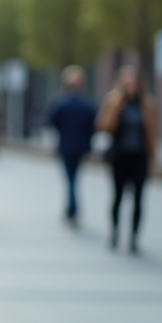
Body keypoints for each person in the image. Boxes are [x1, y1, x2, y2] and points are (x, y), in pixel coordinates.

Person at [97, 66, 156, 254]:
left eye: (134, 83)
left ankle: (134, 238)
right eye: (127, 83)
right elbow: (104, 127)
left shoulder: (147, 104)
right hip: (119, 156)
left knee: (139, 199)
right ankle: (114, 232)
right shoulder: (113, 101)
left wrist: (154, 158)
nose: (131, 86)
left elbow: (152, 134)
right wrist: (115, 110)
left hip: (140, 156)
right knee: (118, 196)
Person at [46, 65, 98, 226]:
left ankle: (72, 210)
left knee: (70, 179)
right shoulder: (88, 104)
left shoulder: (61, 103)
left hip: (66, 147)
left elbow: (50, 122)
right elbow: (93, 127)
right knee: (75, 179)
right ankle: (72, 209)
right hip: (81, 147)